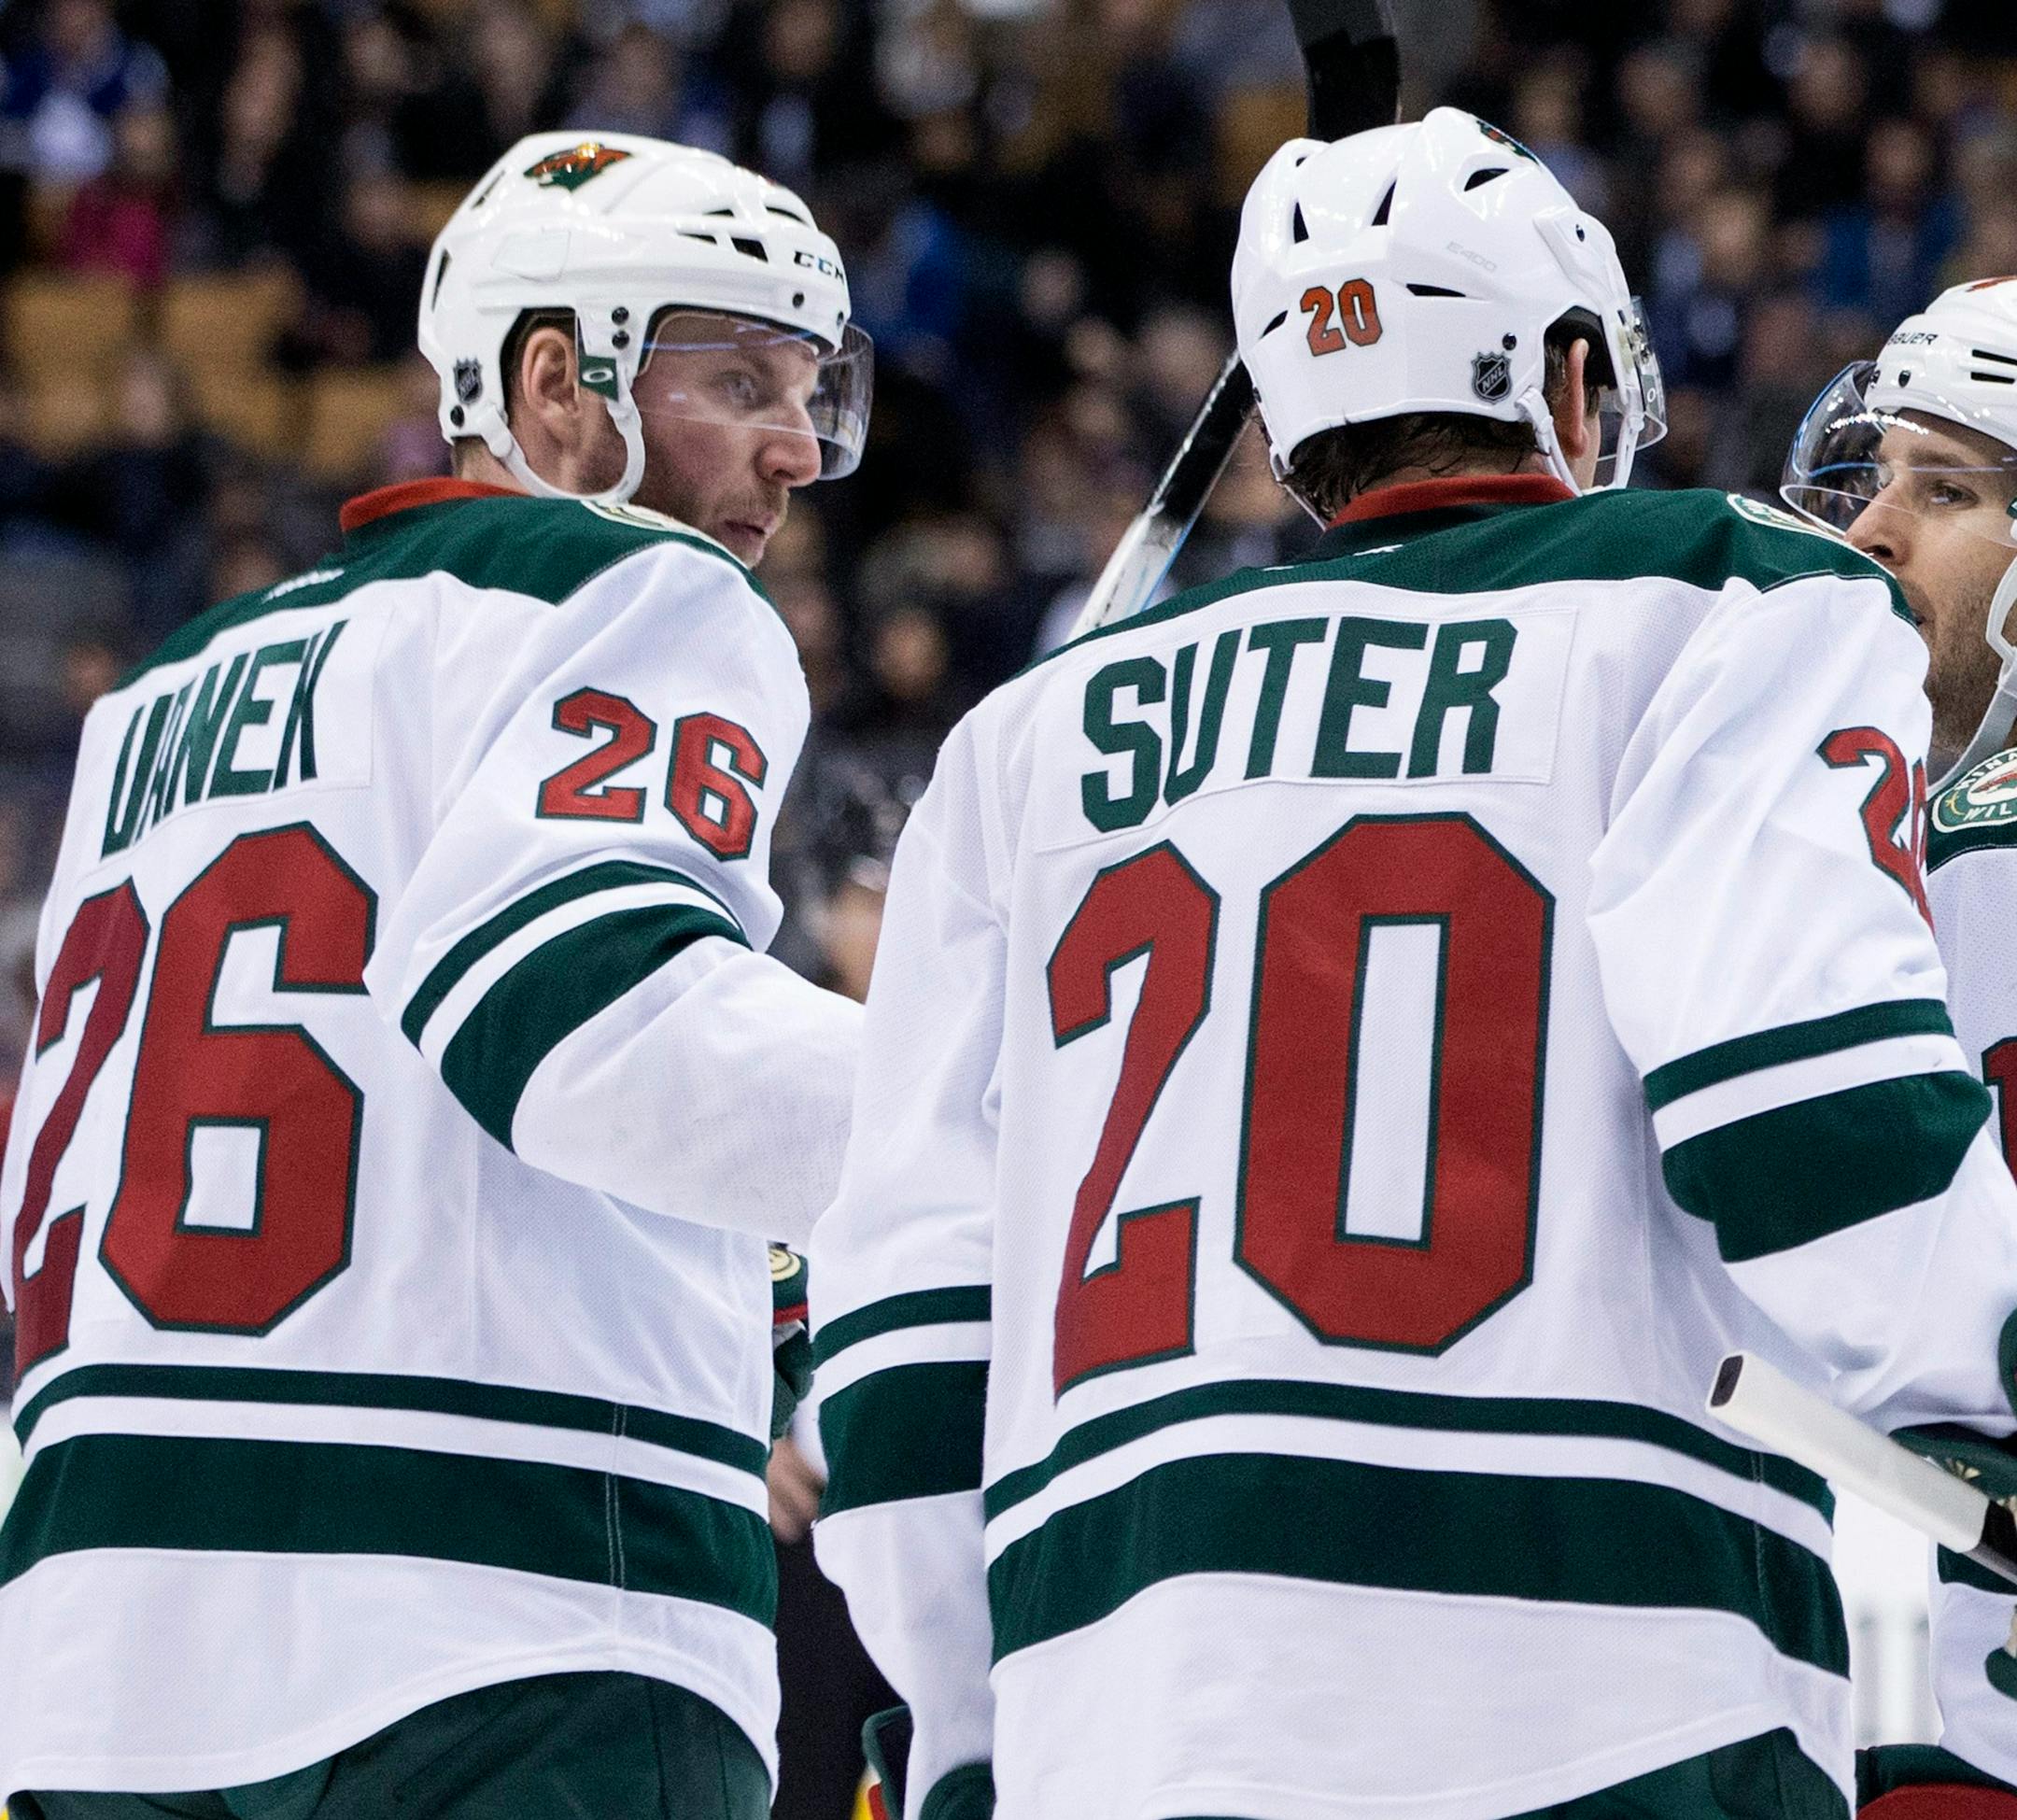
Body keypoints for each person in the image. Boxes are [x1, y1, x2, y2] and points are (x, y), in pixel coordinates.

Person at [808, 109, 2017, 1819]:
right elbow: (1793, 1099)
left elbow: (913, 1329)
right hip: (1606, 1685)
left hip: (1124, 1717)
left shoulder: (1022, 739)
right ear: (1579, 378)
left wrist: (960, 1727)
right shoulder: (1730, 599)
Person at [0, 130, 870, 1818]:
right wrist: (1014, 1105)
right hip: (513, 1628)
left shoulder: (153, 698)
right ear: (556, 386)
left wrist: (755, 1297)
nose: (792, 445)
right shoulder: (638, 592)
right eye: (737, 374)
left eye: (811, 388)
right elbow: (589, 1022)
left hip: (98, 1658)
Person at [1782, 277, 2017, 1819]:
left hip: (1952, 1676)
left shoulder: (1972, 848)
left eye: (1945, 490)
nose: (1873, 532)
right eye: (1875, 481)